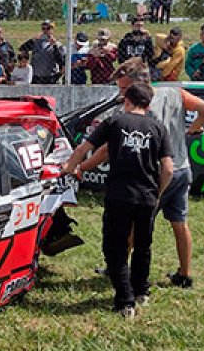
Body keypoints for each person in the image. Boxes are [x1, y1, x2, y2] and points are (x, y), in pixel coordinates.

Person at [67, 58, 204, 289]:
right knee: (180, 222)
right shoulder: (175, 93)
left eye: (124, 89)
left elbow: (106, 149)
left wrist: (82, 168)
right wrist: (192, 130)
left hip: (154, 175)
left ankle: (118, 268)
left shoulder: (138, 110)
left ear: (139, 84)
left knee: (134, 227)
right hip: (182, 168)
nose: (121, 94)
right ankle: (184, 274)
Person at [65, 81, 174, 318]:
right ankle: (141, 291)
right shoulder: (158, 128)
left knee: (114, 247)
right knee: (143, 245)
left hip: (119, 195)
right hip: (147, 196)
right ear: (148, 104)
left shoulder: (114, 122)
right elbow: (168, 168)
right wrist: (158, 193)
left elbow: (84, 148)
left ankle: (125, 301)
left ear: (127, 100)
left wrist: (71, 168)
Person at [19, 20, 65, 84]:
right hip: (36, 77)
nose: (45, 31)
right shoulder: (35, 42)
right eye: (43, 28)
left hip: (50, 77)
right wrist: (32, 40)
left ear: (52, 29)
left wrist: (54, 46)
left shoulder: (58, 45)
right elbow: (22, 48)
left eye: (48, 28)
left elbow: (60, 61)